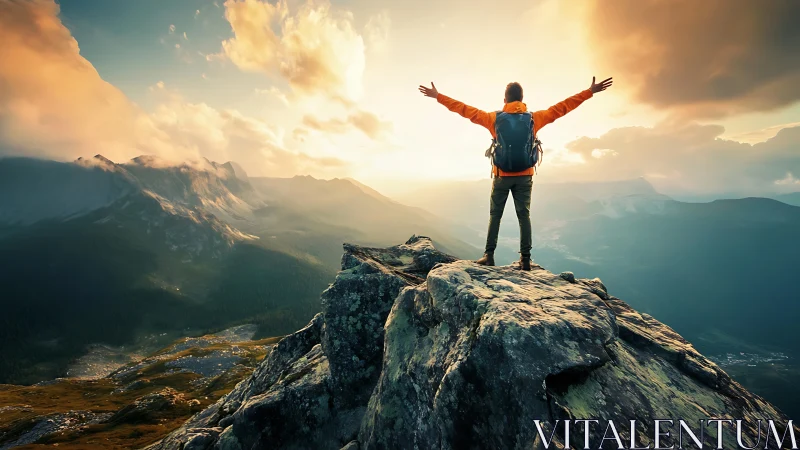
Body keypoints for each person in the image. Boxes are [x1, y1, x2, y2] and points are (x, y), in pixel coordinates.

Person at [418, 77, 613, 270]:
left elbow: (463, 109)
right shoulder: (535, 118)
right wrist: (589, 92)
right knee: (524, 216)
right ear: (522, 99)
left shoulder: (493, 118)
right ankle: (526, 259)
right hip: (525, 175)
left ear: (505, 100)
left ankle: (489, 255)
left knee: (495, 215)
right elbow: (562, 107)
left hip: (502, 175)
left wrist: (438, 96)